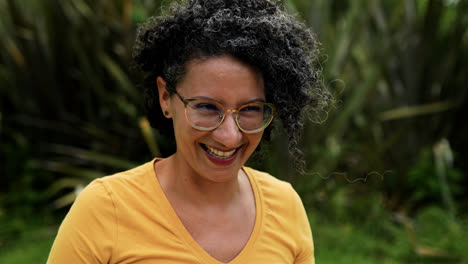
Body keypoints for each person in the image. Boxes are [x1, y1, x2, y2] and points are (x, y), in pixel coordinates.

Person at [47, 0, 329, 263]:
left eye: (250, 109)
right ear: (166, 97)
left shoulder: (285, 206)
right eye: (207, 107)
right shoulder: (105, 210)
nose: (230, 136)